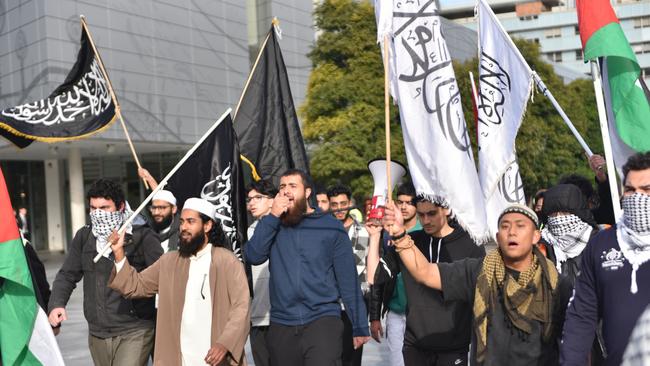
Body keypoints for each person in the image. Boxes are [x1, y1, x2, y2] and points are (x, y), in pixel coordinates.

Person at [384, 201, 572, 365]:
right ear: (498, 238)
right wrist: (400, 234)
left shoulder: (556, 284)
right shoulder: (478, 271)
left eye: (520, 226)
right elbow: (425, 272)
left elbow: (573, 336)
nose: (512, 232)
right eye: (505, 226)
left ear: (535, 237)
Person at [245, 169, 370, 366]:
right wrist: (273, 215)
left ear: (308, 192)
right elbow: (254, 255)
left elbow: (347, 279)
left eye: (293, 186)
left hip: (323, 320)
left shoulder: (330, 226)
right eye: (282, 187)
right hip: (282, 323)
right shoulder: (271, 224)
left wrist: (360, 324)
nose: (286, 192)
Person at [109, 197, 251, 365]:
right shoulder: (169, 261)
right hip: (178, 357)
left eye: (191, 222)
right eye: (182, 222)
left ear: (207, 225)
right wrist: (119, 253)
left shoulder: (226, 261)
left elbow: (241, 308)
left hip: (215, 356)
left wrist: (225, 343)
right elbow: (135, 286)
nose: (183, 227)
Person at [48, 179, 163, 366]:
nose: (98, 214)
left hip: (135, 329)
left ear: (120, 206)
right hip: (98, 332)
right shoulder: (84, 236)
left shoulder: (143, 236)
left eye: (104, 207)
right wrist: (57, 304)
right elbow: (67, 274)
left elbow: (162, 275)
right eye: (93, 208)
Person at [368, 196, 485, 366]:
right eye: (421, 215)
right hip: (415, 344)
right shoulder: (408, 242)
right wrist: (374, 236)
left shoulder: (471, 244)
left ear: (446, 210)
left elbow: (482, 295)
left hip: (454, 346)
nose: (426, 220)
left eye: (431, 214)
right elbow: (373, 276)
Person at [560, 152, 650, 366]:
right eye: (630, 190)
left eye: (646, 190)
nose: (637, 197)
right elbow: (582, 314)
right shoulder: (601, 244)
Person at [367, 181, 422, 366]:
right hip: (396, 312)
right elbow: (377, 277)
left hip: (421, 312)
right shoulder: (386, 233)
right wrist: (375, 317)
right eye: (400, 202)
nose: (404, 206)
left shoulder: (426, 232)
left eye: (409, 202)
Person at [328, 184, 370, 366]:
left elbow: (369, 268)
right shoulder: (324, 232)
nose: (339, 208)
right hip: (331, 304)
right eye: (334, 204)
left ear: (350, 203)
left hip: (356, 302)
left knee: (353, 358)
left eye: (343, 203)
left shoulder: (364, 232)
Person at [246, 179, 277, 366]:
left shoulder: (286, 228)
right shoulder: (248, 233)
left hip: (282, 317)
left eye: (258, 197)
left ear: (273, 201)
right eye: (249, 199)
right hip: (257, 315)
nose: (251, 203)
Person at [540, 184, 598, 282]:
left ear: (578, 213)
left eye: (564, 212)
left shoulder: (597, 242)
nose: (558, 218)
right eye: (553, 213)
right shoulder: (542, 244)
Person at [558, 154, 615, 226]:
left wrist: (601, 176)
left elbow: (608, 206)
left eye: (576, 198)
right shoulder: (553, 225)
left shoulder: (595, 220)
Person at [139, 168, 180, 252]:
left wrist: (149, 178)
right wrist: (148, 178)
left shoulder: (183, 232)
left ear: (174, 209)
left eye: (162, 208)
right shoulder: (148, 233)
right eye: (154, 208)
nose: (156, 212)